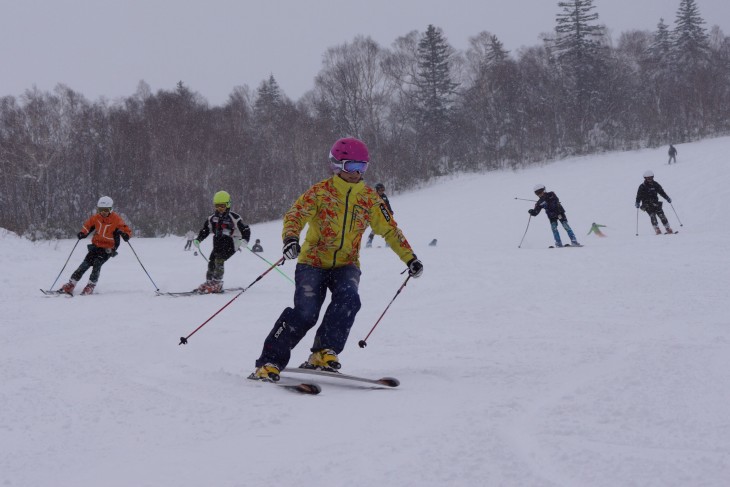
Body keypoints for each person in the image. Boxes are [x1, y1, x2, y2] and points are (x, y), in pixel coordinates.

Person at [250, 137, 423, 382]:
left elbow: (390, 230)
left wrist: (410, 258)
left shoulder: (370, 198)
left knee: (349, 300)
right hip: (312, 261)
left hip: (346, 264)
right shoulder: (321, 192)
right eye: (353, 167)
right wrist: (290, 239)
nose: (358, 173)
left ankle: (323, 352)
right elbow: (295, 216)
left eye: (363, 168)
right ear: (337, 165)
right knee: (306, 313)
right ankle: (269, 362)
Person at [57, 196, 132, 296]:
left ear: (111, 209)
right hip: (96, 246)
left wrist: (126, 235)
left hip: (108, 248)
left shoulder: (116, 219)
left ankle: (90, 286)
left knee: (97, 263)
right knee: (85, 264)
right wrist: (82, 233)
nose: (103, 212)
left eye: (106, 210)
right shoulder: (96, 218)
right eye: (101, 210)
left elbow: (126, 229)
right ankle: (71, 284)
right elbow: (87, 226)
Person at [193, 190, 251, 293]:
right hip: (218, 242)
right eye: (217, 206)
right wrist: (198, 239)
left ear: (228, 205)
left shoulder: (234, 218)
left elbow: (246, 229)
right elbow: (205, 230)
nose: (220, 209)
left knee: (219, 259)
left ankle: (217, 282)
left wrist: (245, 240)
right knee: (212, 260)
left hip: (233, 242)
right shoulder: (212, 218)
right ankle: (209, 281)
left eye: (222, 206)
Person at [635, 170, 674, 235]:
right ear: (645, 178)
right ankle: (657, 229)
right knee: (652, 216)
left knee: (662, 215)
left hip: (656, 203)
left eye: (651, 178)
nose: (649, 179)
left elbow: (662, 192)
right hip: (647, 204)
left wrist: (667, 198)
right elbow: (639, 195)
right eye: (648, 178)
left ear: (653, 177)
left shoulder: (655, 184)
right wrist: (637, 202)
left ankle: (668, 228)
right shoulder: (642, 186)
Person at [365, 183, 393, 248]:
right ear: (377, 190)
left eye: (383, 190)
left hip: (383, 214)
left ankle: (388, 242)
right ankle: (369, 241)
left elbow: (387, 204)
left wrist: (390, 211)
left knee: (387, 227)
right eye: (380, 190)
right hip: (375, 215)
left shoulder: (384, 196)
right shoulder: (373, 196)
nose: (382, 192)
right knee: (375, 228)